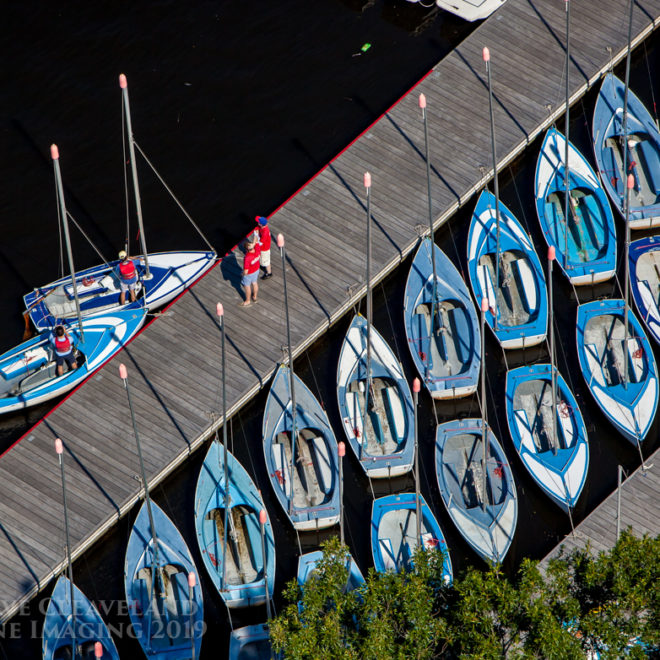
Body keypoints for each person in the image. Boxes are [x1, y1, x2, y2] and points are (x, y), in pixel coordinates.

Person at [240, 237, 261, 306]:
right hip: (256, 270)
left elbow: (246, 271)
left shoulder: (247, 258)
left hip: (249, 274)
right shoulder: (257, 249)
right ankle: (255, 297)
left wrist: (242, 274)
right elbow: (257, 241)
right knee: (254, 283)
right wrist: (255, 237)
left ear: (246, 249)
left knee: (247, 286)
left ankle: (248, 300)